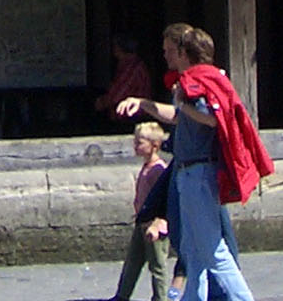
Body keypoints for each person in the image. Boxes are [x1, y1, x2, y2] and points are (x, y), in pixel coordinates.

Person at [120, 24, 262, 301]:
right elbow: (179, 116)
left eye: (170, 51)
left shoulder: (194, 82)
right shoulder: (193, 82)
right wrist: (145, 103)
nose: (166, 56)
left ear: (184, 52)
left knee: (213, 252)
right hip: (191, 172)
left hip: (198, 172)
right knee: (194, 252)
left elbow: (210, 116)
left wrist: (182, 103)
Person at [111, 122, 174, 301]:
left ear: (154, 145)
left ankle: (161, 297)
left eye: (140, 142)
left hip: (155, 224)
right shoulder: (147, 166)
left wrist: (158, 223)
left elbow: (164, 199)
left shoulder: (158, 169)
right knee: (133, 261)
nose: (135, 146)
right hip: (142, 221)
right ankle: (122, 295)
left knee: (158, 265)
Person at [98, 33, 155, 120]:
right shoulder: (125, 65)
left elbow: (116, 95)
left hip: (131, 118)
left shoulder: (132, 67)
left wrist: (101, 103)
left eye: (115, 46)